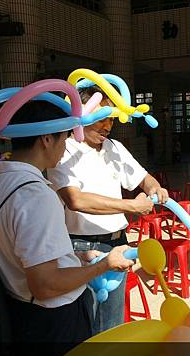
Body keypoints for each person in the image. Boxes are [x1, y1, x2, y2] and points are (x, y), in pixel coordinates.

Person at [0, 100, 134, 356]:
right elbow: (46, 286)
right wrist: (104, 264)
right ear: (47, 139)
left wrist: (74, 255)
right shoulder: (36, 194)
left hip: (12, 307)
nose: (66, 147)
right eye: (64, 138)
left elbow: (21, 246)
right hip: (50, 321)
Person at [47, 85, 168, 334]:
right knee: (85, 321)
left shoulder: (114, 147)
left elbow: (143, 178)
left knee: (111, 321)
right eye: (101, 119)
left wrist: (154, 187)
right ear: (81, 115)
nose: (107, 126)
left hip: (117, 244)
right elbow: (75, 200)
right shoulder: (64, 149)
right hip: (82, 247)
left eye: (111, 119)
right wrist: (131, 206)